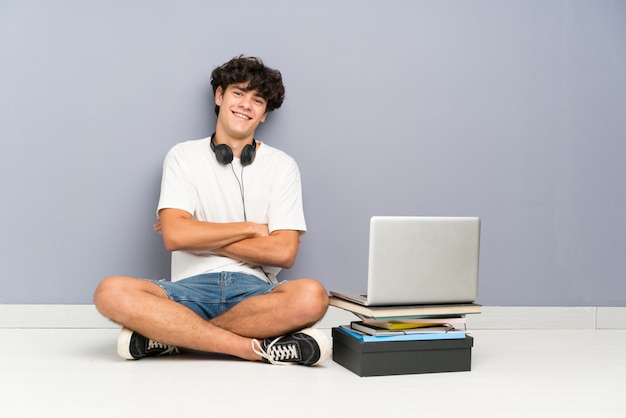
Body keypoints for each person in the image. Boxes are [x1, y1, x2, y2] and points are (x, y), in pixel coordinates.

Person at [94, 55, 331, 366]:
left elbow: (284, 253)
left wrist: (197, 233)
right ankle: (252, 348)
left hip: (256, 295)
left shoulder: (283, 166)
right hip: (186, 292)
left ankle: (168, 337)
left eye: (257, 100)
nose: (246, 105)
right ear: (219, 96)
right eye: (238, 93)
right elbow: (175, 237)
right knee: (110, 292)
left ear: (264, 115)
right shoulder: (183, 156)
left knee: (313, 296)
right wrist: (250, 229)